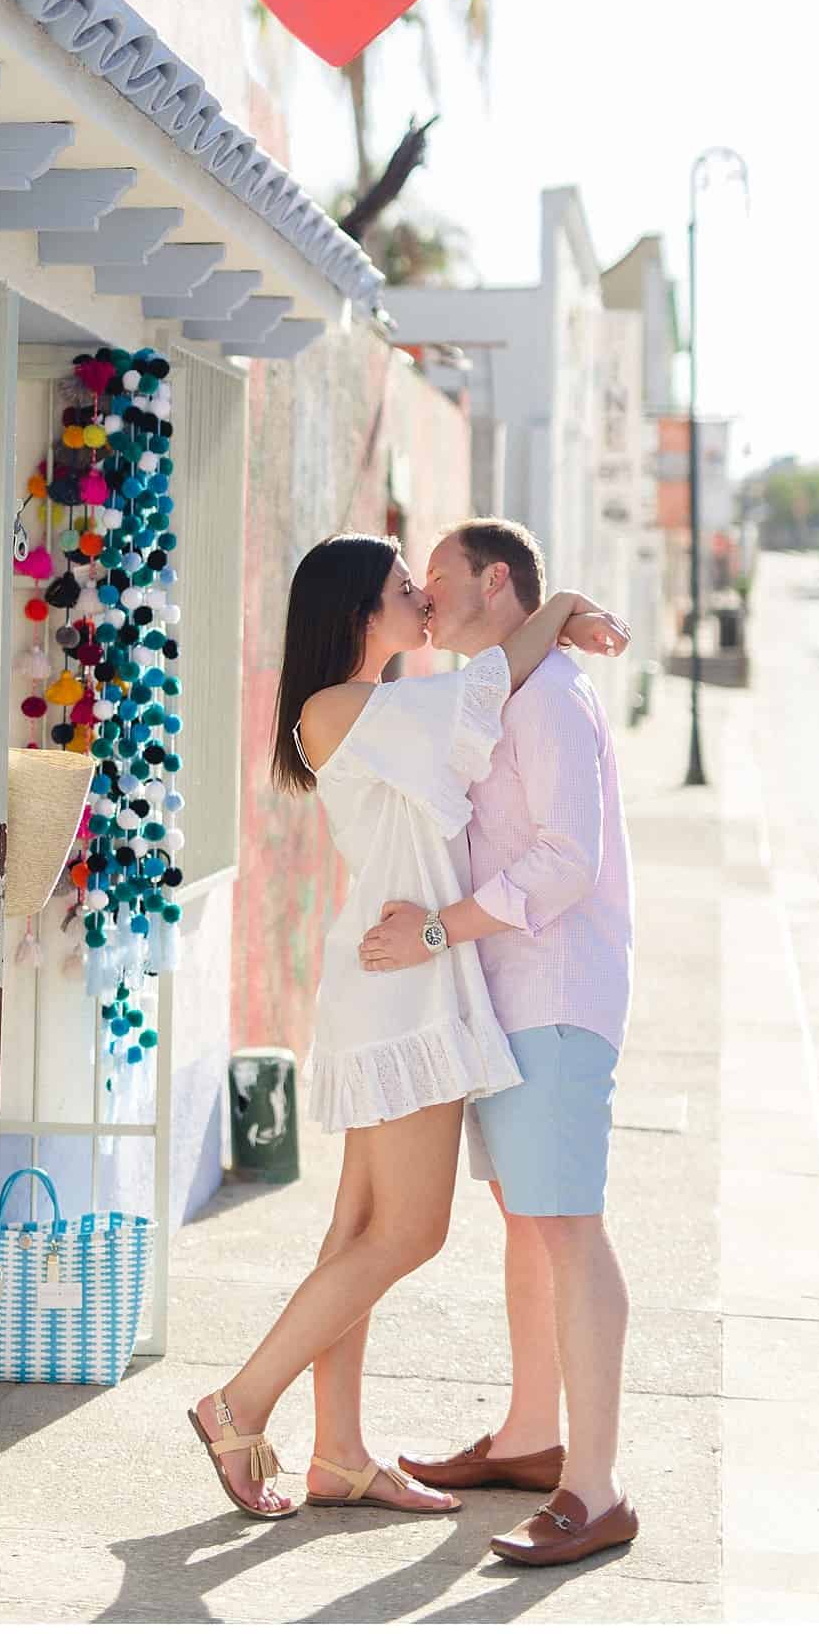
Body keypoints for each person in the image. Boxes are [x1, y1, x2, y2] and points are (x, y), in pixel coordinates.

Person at [188, 532, 627, 1522]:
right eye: (403, 587)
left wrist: (551, 616)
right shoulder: (348, 707)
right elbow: (485, 690)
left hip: (397, 976)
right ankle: (239, 1401)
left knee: (354, 1231)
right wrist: (556, 611)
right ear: (357, 610)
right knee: (409, 1232)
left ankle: (338, 1454)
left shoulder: (368, 708)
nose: (423, 600)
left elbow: (475, 698)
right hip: (404, 986)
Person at [363, 519, 638, 1568]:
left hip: (557, 995)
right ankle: (531, 1439)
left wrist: (438, 931)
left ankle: (596, 1487)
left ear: (492, 579)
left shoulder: (554, 697)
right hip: (512, 997)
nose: (423, 598)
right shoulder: (502, 690)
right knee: (528, 1222)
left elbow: (568, 860)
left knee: (568, 1227)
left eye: (433, 578)